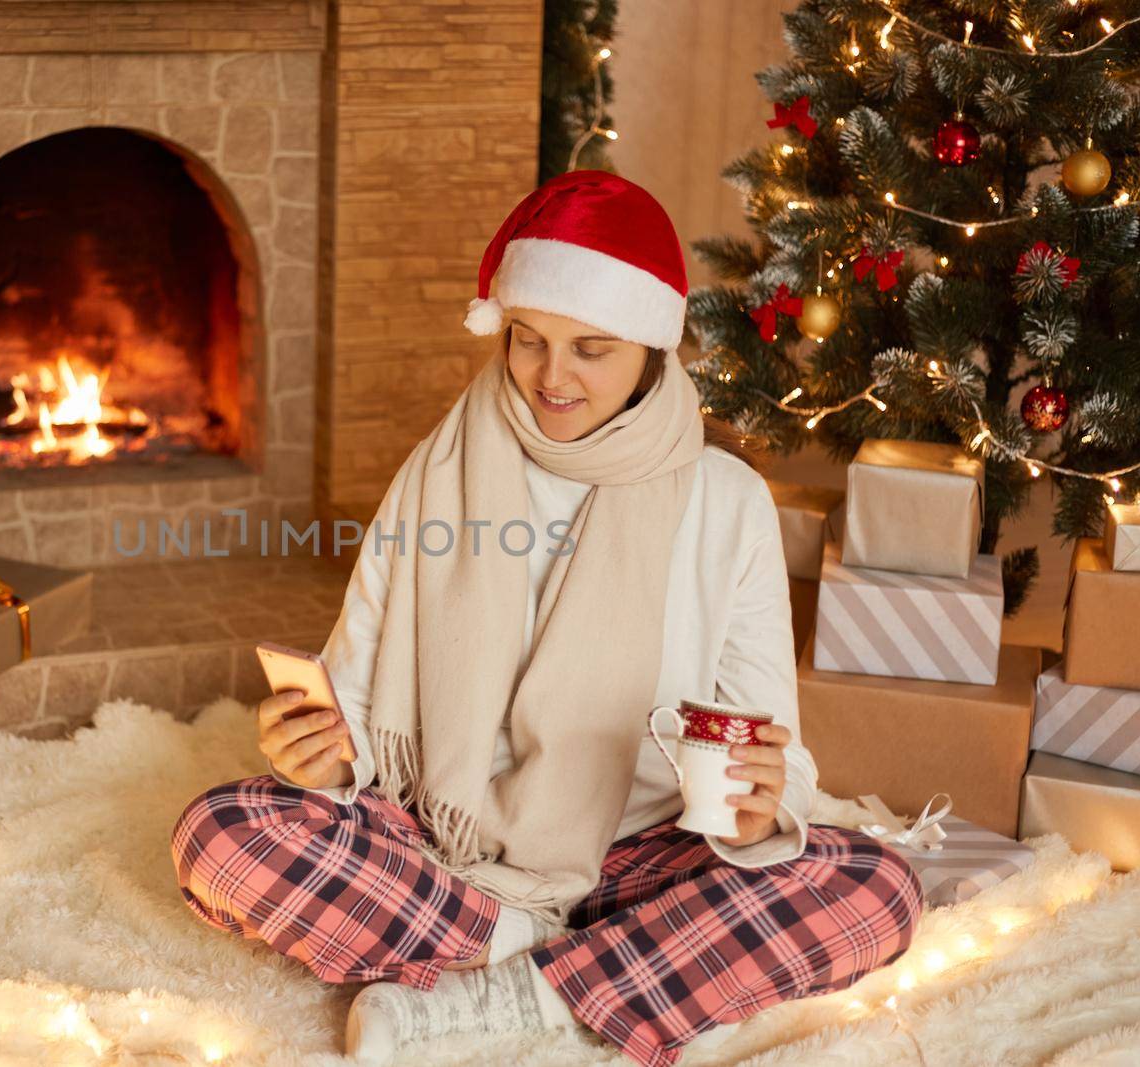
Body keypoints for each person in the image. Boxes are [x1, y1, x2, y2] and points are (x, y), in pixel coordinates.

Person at [171, 170, 923, 1067]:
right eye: (528, 339)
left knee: (874, 888)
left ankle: (501, 991)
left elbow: (776, 753)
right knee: (220, 837)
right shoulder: (440, 466)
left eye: (590, 349)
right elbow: (359, 705)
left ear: (650, 345)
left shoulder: (728, 503)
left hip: (643, 858)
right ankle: (576, 974)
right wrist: (328, 758)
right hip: (442, 845)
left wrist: (760, 815)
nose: (549, 377)